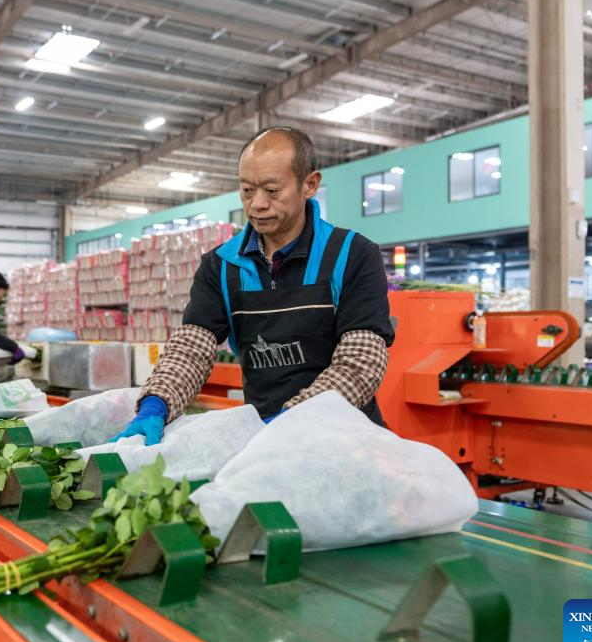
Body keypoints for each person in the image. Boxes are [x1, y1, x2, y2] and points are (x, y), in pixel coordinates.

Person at [112, 127, 394, 445]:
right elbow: (191, 348)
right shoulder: (222, 265)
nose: (256, 205)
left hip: (350, 441)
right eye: (247, 190)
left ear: (310, 184)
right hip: (262, 443)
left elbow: (361, 361)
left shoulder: (352, 254)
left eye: (272, 191)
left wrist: (291, 420)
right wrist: (155, 404)